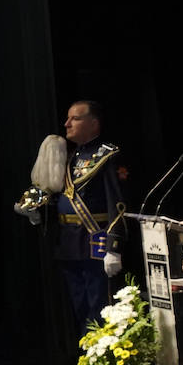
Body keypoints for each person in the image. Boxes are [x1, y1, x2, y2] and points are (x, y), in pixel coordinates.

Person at [55, 100, 128, 334]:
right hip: (69, 243)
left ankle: (104, 364)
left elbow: (118, 203)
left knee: (99, 306)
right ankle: (88, 362)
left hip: (95, 242)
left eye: (74, 118)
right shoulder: (71, 156)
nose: (66, 124)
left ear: (93, 123)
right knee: (79, 307)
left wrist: (113, 246)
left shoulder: (108, 155)